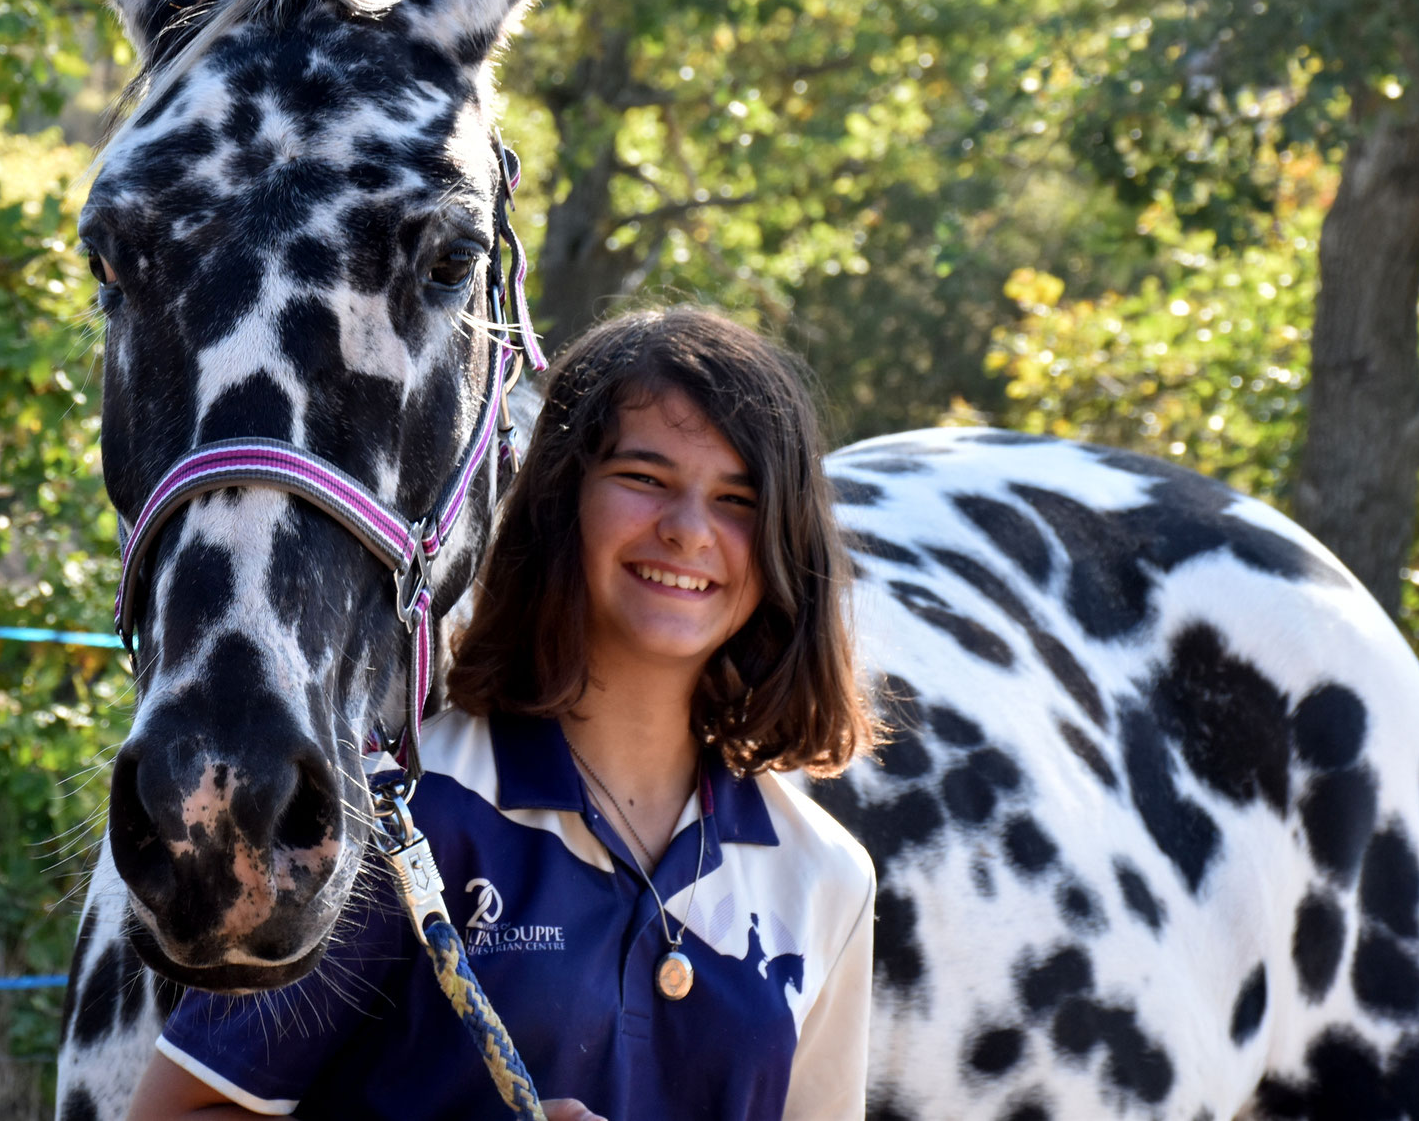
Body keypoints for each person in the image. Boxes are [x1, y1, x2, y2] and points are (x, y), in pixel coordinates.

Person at [128, 306, 880, 1120]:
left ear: (783, 542)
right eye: (644, 478)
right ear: (562, 501)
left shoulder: (827, 877)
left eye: (738, 498)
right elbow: (172, 1114)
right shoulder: (405, 815)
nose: (688, 531)